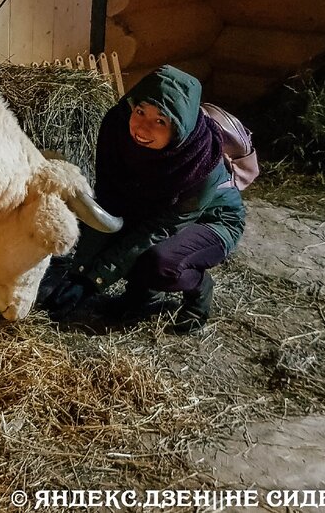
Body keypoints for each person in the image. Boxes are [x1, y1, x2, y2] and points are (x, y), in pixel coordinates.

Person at [37, 65, 245, 333]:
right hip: (155, 208)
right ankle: (142, 297)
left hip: (211, 220)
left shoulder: (199, 164)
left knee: (161, 263)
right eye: (140, 111)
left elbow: (158, 229)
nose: (143, 128)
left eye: (161, 121)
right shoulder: (118, 129)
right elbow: (110, 202)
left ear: (181, 126)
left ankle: (198, 290)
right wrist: (78, 274)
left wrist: (92, 282)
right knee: (130, 235)